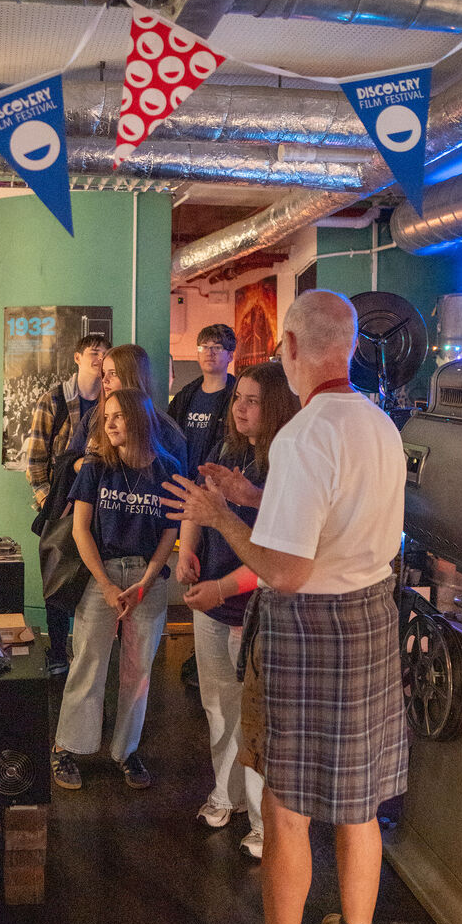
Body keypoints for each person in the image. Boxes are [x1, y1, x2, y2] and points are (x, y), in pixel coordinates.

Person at [162, 290, 407, 924]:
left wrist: (214, 515)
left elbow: (286, 570)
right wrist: (248, 493)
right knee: (358, 806)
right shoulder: (379, 424)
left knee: (288, 810)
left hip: (308, 631)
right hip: (370, 621)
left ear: (294, 349)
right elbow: (330, 525)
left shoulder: (305, 434)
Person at [178, 364, 298, 859]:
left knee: (258, 722)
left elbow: (279, 556)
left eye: (252, 400)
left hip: (255, 609)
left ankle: (261, 821)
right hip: (212, 606)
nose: (241, 408)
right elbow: (196, 506)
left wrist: (221, 589)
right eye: (238, 399)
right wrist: (187, 550)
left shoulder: (286, 465)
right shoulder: (224, 452)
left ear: (276, 408)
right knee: (219, 709)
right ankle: (223, 795)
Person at [50, 388, 180, 791]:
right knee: (88, 661)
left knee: (138, 671)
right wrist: (106, 586)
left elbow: (168, 536)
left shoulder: (169, 469)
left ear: (140, 419)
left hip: (147, 577)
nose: (109, 423)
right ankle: (67, 748)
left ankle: (127, 750)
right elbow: (80, 529)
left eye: (118, 416)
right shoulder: (96, 467)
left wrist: (144, 582)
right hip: (99, 574)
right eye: (106, 417)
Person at [26, 333, 110, 675]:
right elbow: (34, 460)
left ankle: (88, 657)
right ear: (77, 357)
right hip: (63, 509)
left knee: (93, 583)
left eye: (105, 353)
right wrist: (53, 505)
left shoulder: (112, 401)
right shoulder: (55, 399)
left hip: (101, 511)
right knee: (57, 580)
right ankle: (58, 653)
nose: (99, 358)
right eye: (93, 352)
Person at [69, 344, 187, 475]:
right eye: (103, 373)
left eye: (113, 373)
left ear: (133, 377)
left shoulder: (166, 429)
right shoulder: (93, 417)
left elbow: (177, 480)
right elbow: (68, 460)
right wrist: (90, 465)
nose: (104, 380)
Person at [168, 323, 236, 479]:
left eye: (217, 347)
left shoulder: (236, 399)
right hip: (181, 479)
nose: (209, 353)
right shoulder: (185, 396)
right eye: (204, 347)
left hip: (216, 482)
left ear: (230, 356)